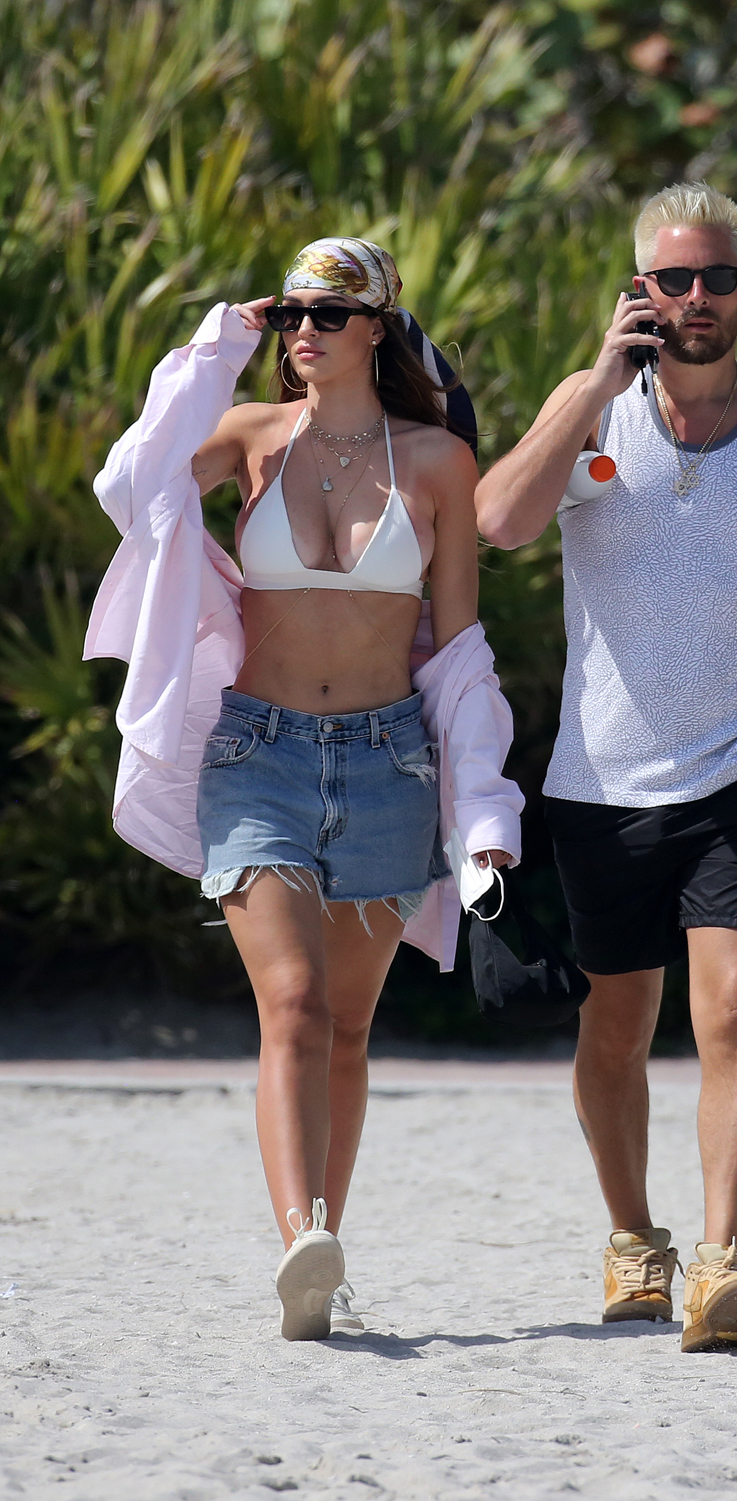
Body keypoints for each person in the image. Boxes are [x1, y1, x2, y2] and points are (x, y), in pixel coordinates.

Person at [84, 237, 523, 1339]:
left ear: (377, 325)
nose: (306, 333)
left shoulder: (435, 460)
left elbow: (460, 648)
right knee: (291, 1003)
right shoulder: (247, 438)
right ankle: (302, 1239)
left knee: (347, 1029)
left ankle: (323, 1255)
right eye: (293, 317)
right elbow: (129, 487)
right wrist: (213, 346)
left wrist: (484, 816)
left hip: (388, 760)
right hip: (257, 755)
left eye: (329, 314)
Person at [475, 183, 737, 1352]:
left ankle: (721, 1260)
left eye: (718, 278)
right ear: (638, 287)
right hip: (603, 780)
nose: (696, 299)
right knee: (616, 1026)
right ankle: (634, 1238)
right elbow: (497, 521)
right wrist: (591, 387)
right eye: (673, 279)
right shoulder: (590, 408)